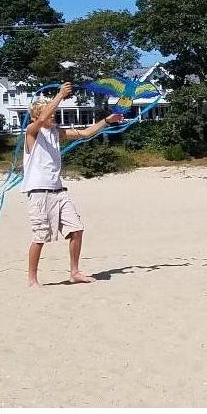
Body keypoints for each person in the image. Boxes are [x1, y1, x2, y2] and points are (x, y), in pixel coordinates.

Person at [22, 82, 124, 287]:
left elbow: (86, 133)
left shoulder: (56, 132)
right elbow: (42, 119)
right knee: (40, 237)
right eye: (49, 113)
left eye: (52, 113)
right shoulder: (32, 131)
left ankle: (75, 272)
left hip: (59, 190)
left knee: (77, 230)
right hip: (39, 192)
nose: (52, 116)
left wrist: (107, 120)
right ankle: (32, 280)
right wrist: (60, 95)